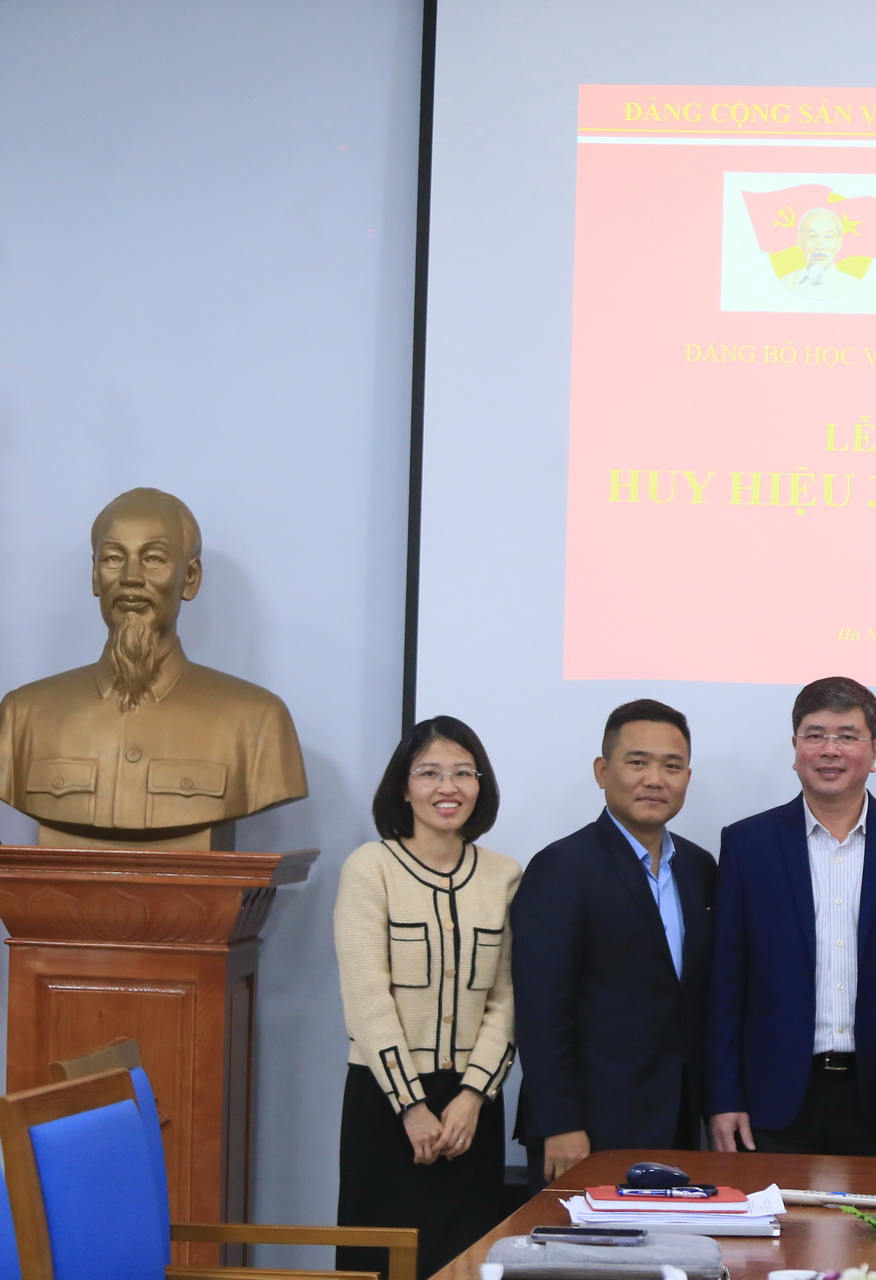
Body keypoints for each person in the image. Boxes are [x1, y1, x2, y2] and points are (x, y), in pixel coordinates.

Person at [708, 677, 876, 1156]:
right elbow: (725, 982)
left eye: (847, 736)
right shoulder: (747, 844)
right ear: (795, 746)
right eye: (815, 735)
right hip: (770, 1100)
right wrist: (724, 1096)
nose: (830, 750)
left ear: (874, 750)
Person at [0, 486, 305, 844]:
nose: (131, 577)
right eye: (114, 558)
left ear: (190, 578)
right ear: (95, 575)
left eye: (154, 558)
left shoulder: (257, 721)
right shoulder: (23, 716)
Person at [333, 716, 518, 1278]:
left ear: (480, 785)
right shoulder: (371, 868)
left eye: (463, 773)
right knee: (379, 1265)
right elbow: (367, 997)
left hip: (471, 1110)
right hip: (385, 1103)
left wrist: (472, 1097)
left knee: (466, 1263)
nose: (448, 787)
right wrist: (411, 1106)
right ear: (403, 786)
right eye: (430, 773)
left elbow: (508, 999)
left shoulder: (504, 875)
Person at [511, 699, 717, 1183]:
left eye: (672, 766)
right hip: (589, 1127)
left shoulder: (699, 868)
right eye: (637, 762)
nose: (655, 779)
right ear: (603, 771)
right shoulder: (562, 868)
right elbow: (542, 1010)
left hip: (680, 1120)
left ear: (687, 777)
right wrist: (560, 1123)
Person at [780, 208, 861, 300]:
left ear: (839, 242)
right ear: (800, 241)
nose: (820, 246)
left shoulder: (851, 286)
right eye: (812, 236)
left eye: (828, 236)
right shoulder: (787, 283)